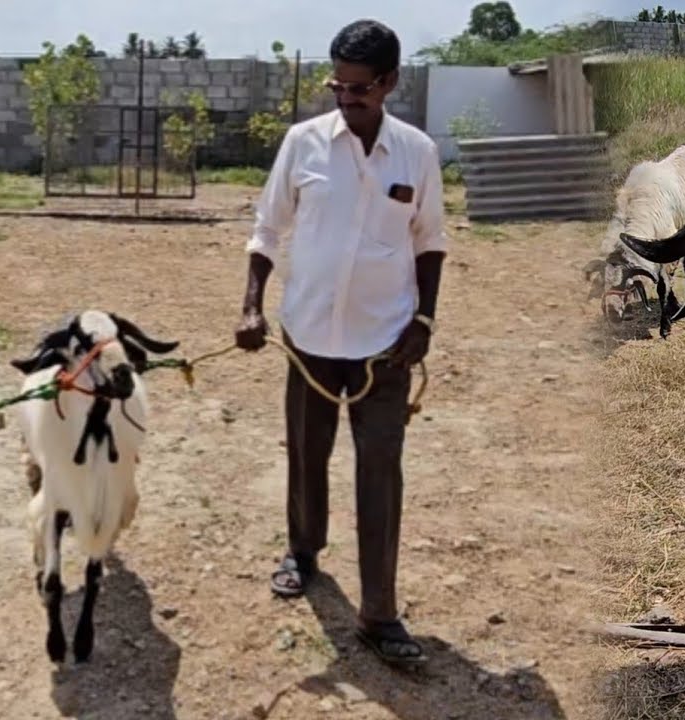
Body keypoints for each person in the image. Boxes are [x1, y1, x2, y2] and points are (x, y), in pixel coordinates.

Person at [233, 18, 447, 666]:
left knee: (380, 471)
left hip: (386, 347)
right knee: (307, 453)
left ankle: (378, 615)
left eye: (359, 87)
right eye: (338, 85)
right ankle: (303, 552)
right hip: (309, 339)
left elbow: (430, 243)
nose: (346, 97)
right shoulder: (303, 145)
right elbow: (267, 231)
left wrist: (425, 324)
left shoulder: (418, 154)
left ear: (389, 83)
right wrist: (250, 306)